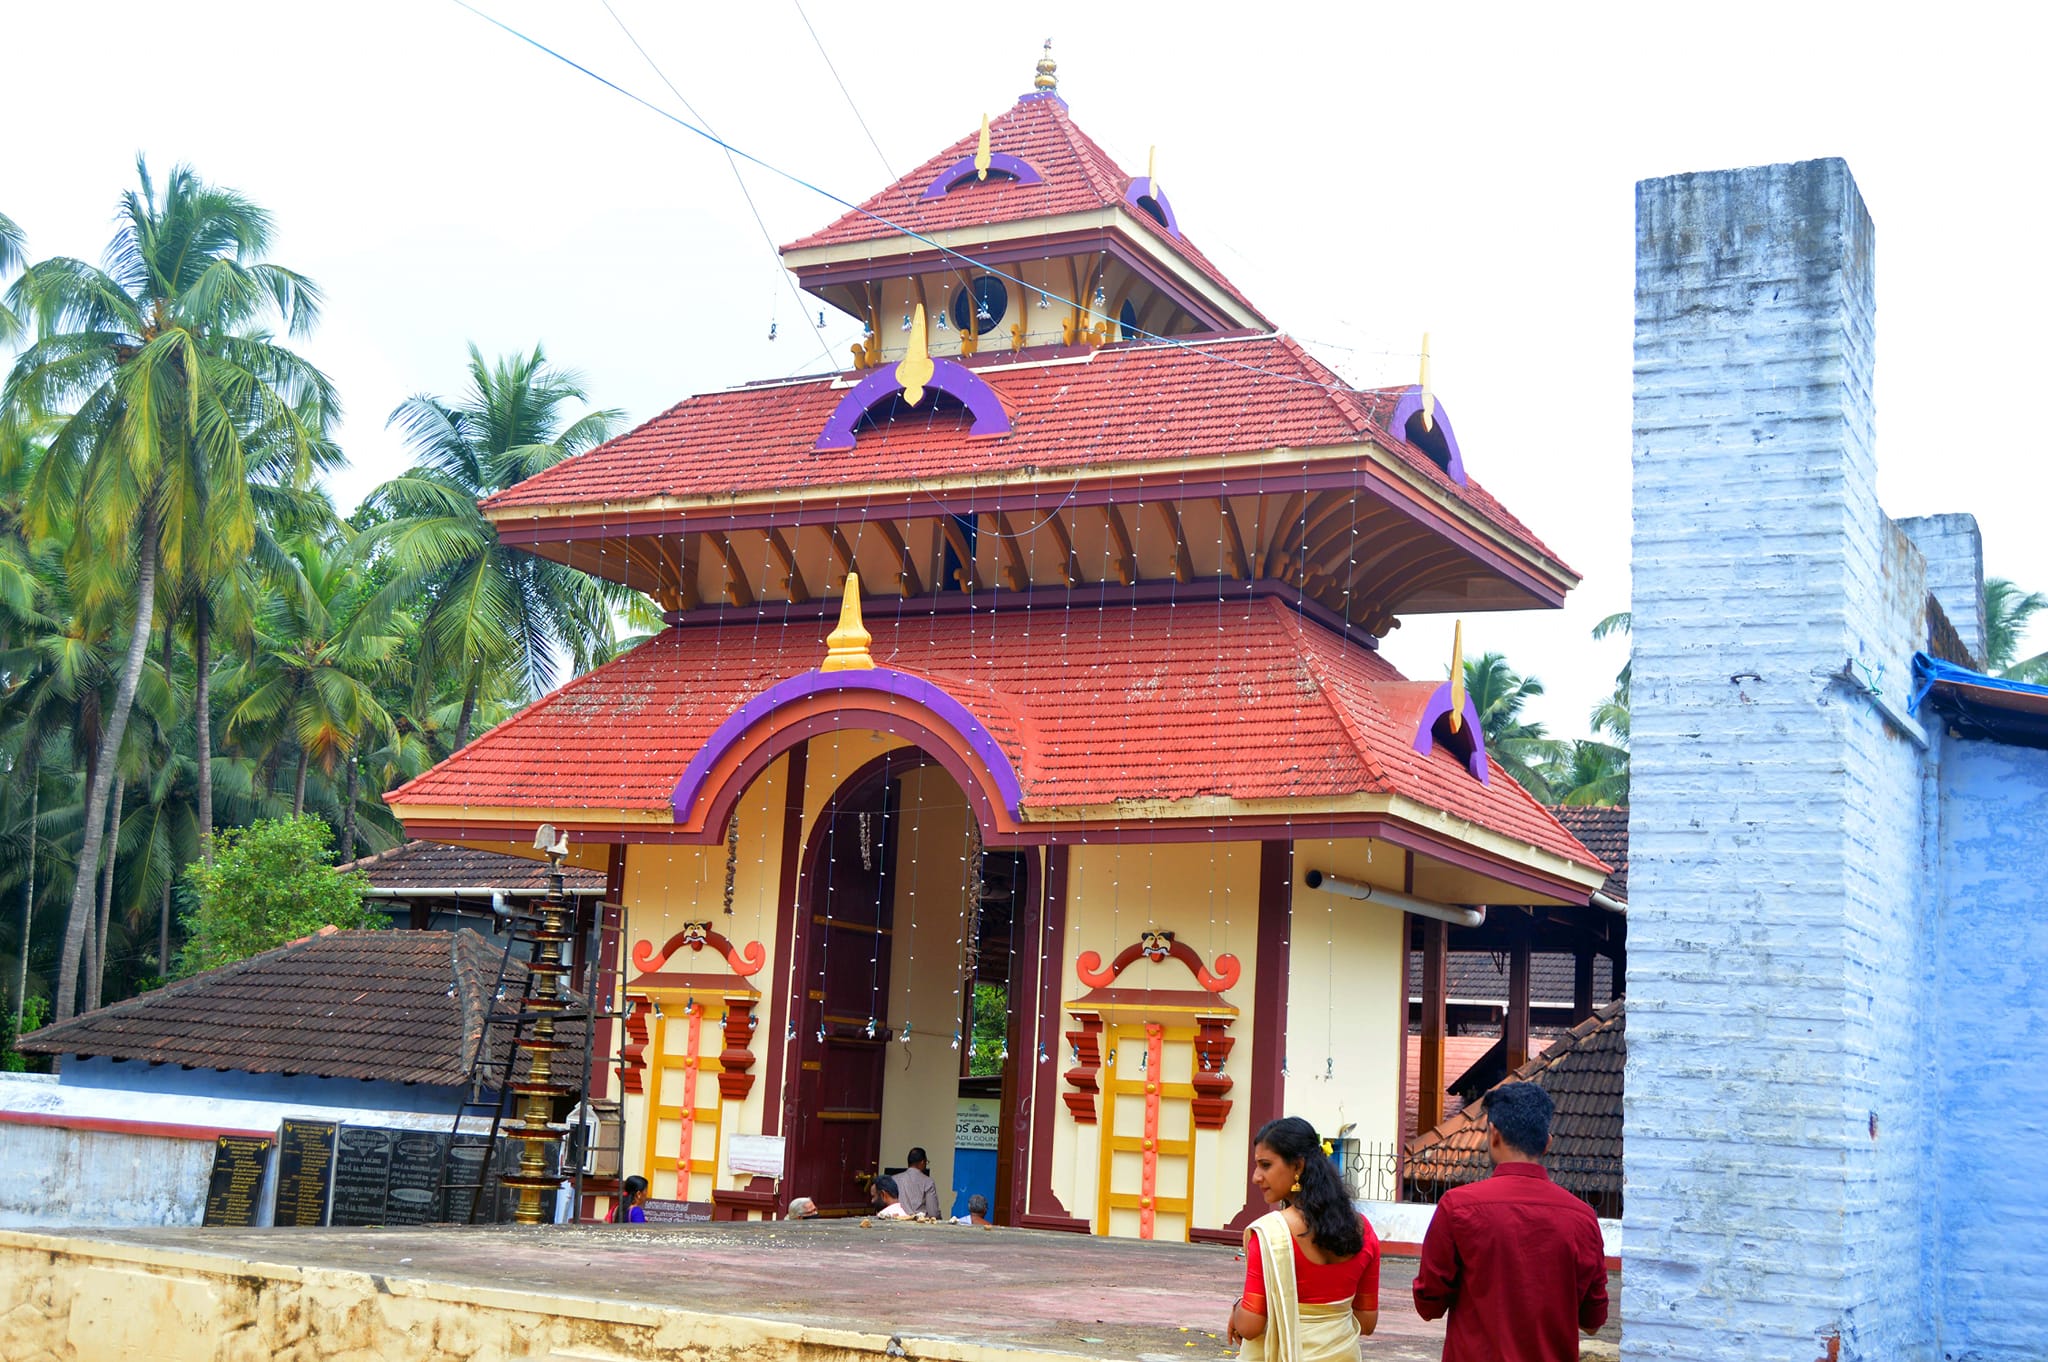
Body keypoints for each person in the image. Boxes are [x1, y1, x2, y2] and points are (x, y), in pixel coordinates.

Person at [1411, 1081, 1608, 1362]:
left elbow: (1428, 1305)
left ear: (1493, 1134)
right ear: (1547, 1143)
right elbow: (1592, 1320)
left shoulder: (1457, 1207)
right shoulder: (1583, 1219)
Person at [1227, 1116, 1380, 1360]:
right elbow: (1367, 1321)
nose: (1256, 1176)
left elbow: (1250, 1326)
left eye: (1265, 1165)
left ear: (1297, 1166)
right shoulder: (1363, 1230)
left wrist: (1237, 1308)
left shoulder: (1271, 1233)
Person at [892, 1147, 944, 1220]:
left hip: (898, 1221)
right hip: (920, 1224)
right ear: (922, 1162)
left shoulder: (894, 1179)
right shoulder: (928, 1182)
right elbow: (933, 1213)